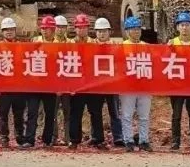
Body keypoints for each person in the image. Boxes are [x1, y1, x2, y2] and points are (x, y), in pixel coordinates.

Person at [68, 17, 107, 150]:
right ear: (75, 29)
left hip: (92, 84)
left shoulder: (94, 43)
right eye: (79, 27)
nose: (82, 30)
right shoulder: (69, 43)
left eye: (84, 27)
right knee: (75, 113)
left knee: (96, 112)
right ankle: (74, 139)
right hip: (77, 84)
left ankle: (98, 139)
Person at [168, 11, 190, 151]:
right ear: (177, 27)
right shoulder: (172, 43)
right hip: (177, 85)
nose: (184, 28)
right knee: (176, 115)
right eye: (182, 25)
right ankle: (175, 142)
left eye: (187, 25)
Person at [24, 16, 59, 148]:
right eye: (43, 28)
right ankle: (29, 139)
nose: (44, 31)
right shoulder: (35, 41)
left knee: (50, 114)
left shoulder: (59, 44)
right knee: (32, 112)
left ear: (53, 29)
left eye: (47, 28)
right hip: (35, 83)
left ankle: (47, 139)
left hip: (51, 84)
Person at [118, 16, 153, 152]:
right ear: (127, 31)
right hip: (127, 86)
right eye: (133, 29)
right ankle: (128, 140)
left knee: (144, 115)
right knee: (127, 115)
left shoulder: (146, 46)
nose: (137, 31)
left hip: (144, 85)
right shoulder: (122, 47)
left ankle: (144, 140)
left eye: (138, 29)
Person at [92, 17, 124, 146]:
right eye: (99, 31)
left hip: (112, 84)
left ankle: (118, 137)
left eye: (104, 31)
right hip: (96, 84)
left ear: (109, 32)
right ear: (95, 32)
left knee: (115, 111)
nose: (102, 34)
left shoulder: (116, 45)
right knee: (95, 112)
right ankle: (97, 137)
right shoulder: (90, 46)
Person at [0, 17, 24, 149]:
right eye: (6, 29)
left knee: (19, 114)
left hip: (18, 86)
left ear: (15, 31)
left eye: (11, 29)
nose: (9, 32)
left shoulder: (22, 46)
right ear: (2, 32)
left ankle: (19, 136)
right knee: (3, 115)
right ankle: (4, 137)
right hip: (3, 87)